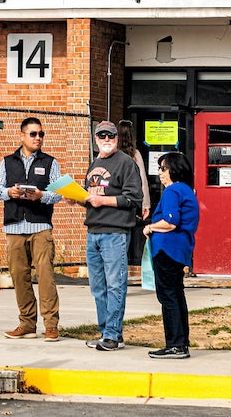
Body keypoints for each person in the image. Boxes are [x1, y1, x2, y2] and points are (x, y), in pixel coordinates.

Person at [0, 116, 63, 341]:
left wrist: (41, 196)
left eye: (41, 134)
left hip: (40, 226)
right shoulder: (7, 161)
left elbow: (59, 193)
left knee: (45, 276)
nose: (38, 138)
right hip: (14, 227)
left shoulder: (50, 162)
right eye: (33, 134)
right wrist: (8, 193)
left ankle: (51, 325)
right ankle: (27, 324)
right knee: (19, 277)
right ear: (21, 136)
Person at [74, 119, 143, 352]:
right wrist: (77, 198)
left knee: (115, 285)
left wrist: (101, 200)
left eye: (110, 136)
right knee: (98, 287)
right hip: (93, 231)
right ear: (95, 139)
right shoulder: (94, 164)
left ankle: (112, 335)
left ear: (116, 138)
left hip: (115, 233)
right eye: (101, 136)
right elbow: (94, 197)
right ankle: (107, 333)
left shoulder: (126, 163)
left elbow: (134, 198)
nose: (106, 140)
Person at [141, 151, 199, 359]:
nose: (160, 173)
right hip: (179, 251)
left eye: (163, 168)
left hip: (167, 250)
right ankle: (181, 342)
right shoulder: (187, 191)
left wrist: (150, 228)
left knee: (168, 296)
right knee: (176, 294)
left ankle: (174, 344)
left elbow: (170, 221)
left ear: (175, 170)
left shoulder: (173, 191)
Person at [117, 118, 151, 265]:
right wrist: (146, 204)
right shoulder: (135, 155)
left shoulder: (110, 153)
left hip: (113, 203)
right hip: (130, 202)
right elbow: (142, 180)